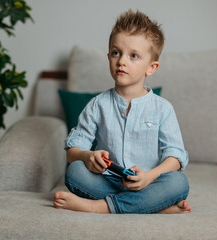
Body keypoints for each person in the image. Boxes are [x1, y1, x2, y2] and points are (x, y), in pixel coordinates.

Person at [53, 9, 191, 214]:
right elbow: (73, 153)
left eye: (134, 56)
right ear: (108, 56)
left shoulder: (163, 109)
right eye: (116, 52)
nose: (122, 61)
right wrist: (89, 156)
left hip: (147, 183)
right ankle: (150, 206)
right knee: (75, 172)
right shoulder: (97, 105)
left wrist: (150, 176)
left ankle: (100, 207)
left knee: (178, 182)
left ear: (151, 67)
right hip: (106, 182)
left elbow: (176, 157)